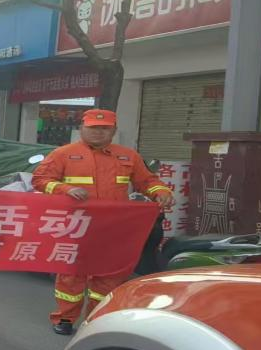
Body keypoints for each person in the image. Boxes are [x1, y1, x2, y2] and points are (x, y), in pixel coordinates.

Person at [32, 109, 174, 335]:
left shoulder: (128, 156)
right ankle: (65, 318)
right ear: (82, 128)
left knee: (109, 274)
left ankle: (96, 318)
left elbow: (147, 181)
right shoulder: (63, 154)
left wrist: (161, 192)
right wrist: (65, 189)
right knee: (71, 274)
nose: (98, 132)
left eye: (104, 128)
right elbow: (40, 179)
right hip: (76, 225)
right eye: (93, 128)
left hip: (113, 227)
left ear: (114, 130)